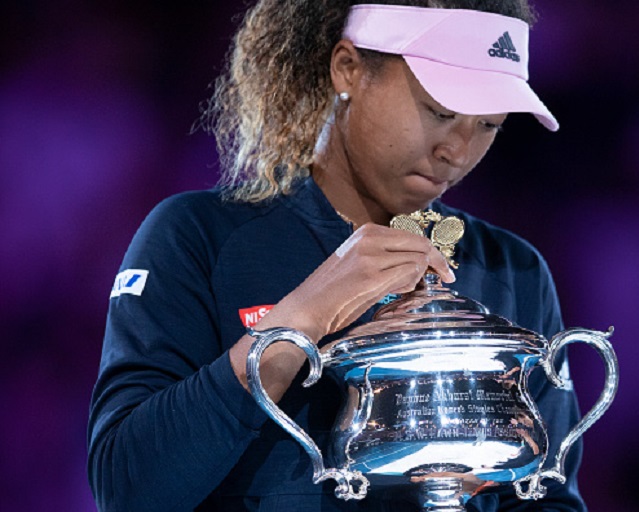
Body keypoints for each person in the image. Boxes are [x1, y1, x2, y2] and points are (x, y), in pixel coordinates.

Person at [87, 1, 586, 511]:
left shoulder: (512, 269)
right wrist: (302, 317)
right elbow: (126, 489)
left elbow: (548, 499)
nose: (457, 151)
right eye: (441, 112)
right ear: (347, 68)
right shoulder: (197, 235)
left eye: (489, 125)